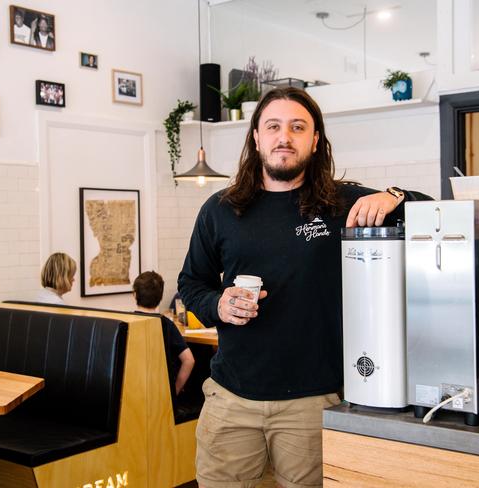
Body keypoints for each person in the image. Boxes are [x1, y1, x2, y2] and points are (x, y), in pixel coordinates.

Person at [178, 87, 432, 488]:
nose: (285, 137)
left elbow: (429, 210)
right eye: (274, 126)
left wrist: (394, 195)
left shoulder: (341, 203)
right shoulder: (220, 209)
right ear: (257, 137)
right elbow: (191, 282)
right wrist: (218, 305)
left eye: (298, 127)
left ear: (315, 140)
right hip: (230, 401)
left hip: (313, 403)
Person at [134, 271, 195, 395]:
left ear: (134, 295)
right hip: (161, 392)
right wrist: (175, 390)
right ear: (161, 297)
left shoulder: (127, 322)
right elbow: (189, 360)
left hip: (134, 389)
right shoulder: (166, 324)